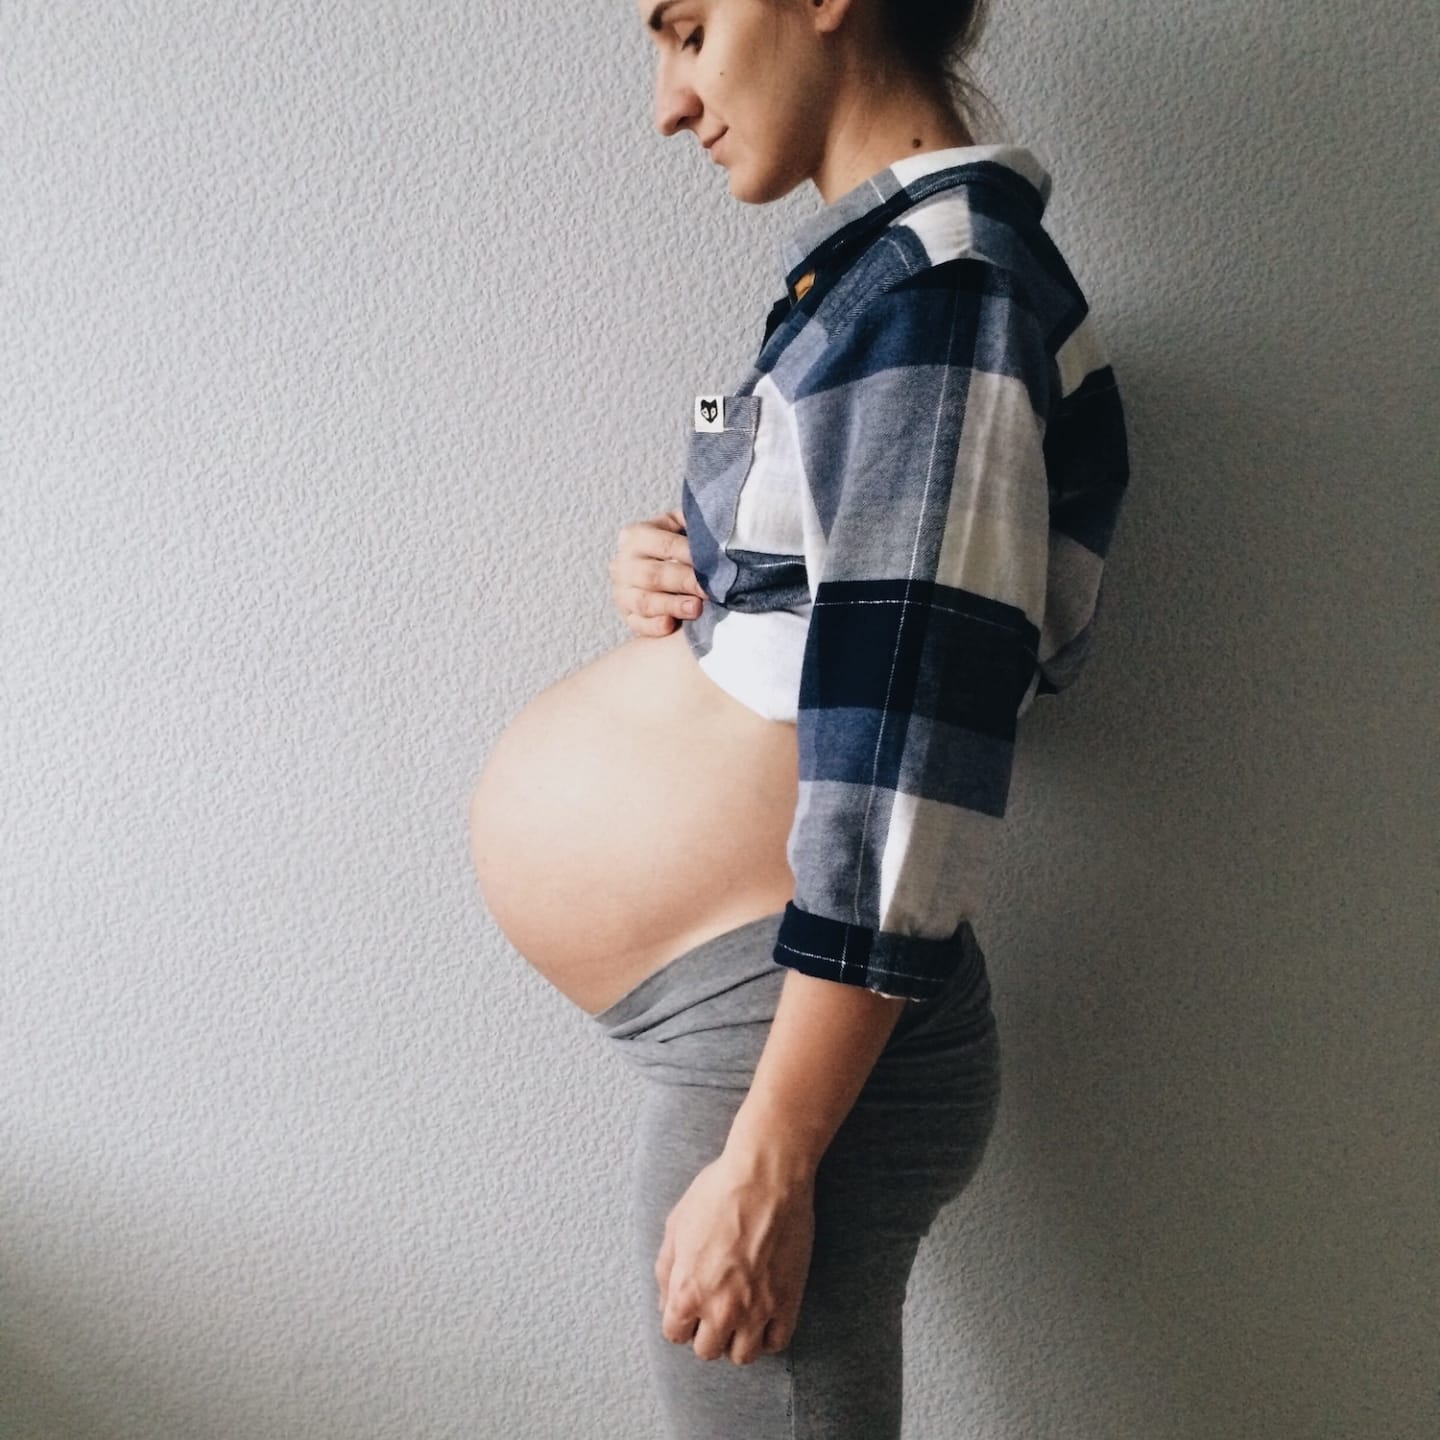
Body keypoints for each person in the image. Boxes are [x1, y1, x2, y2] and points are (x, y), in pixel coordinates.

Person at [599, 1, 1131, 1434]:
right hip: (769, 1030)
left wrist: (772, 1157)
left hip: (795, 1061)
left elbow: (908, 760)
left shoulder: (944, 292)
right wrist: (703, 577)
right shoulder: (886, 286)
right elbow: (865, 630)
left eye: (690, 29)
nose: (670, 102)